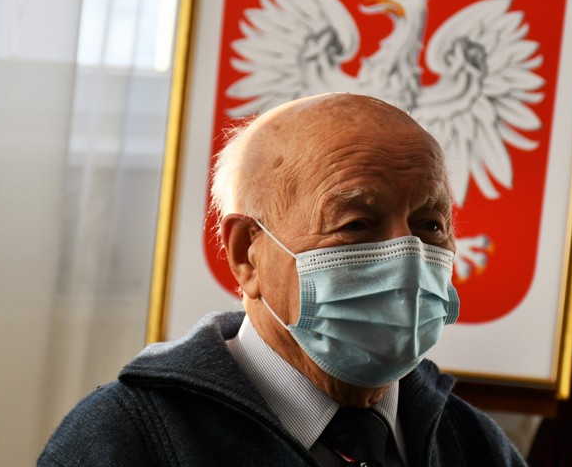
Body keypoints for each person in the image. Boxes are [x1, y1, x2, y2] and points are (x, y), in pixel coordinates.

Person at [39, 93, 528, 466]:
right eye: (357, 223)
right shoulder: (126, 440)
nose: (409, 257)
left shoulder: (474, 443)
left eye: (431, 225)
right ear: (246, 253)